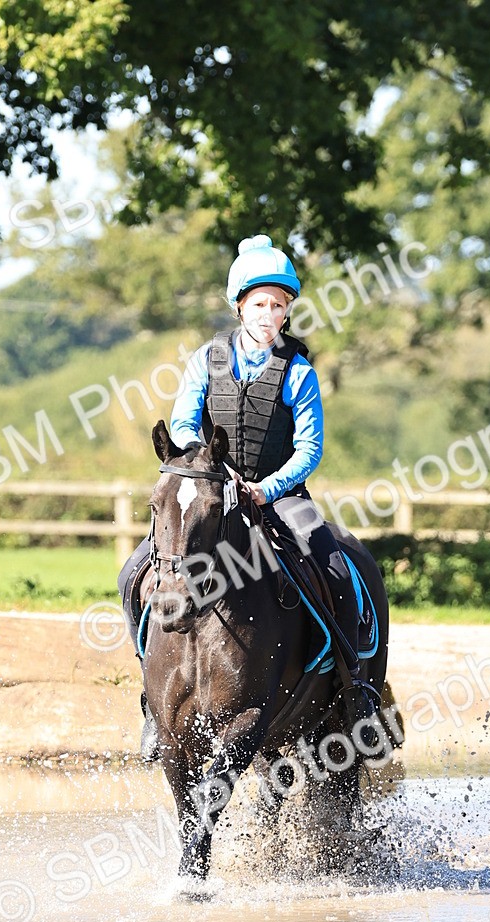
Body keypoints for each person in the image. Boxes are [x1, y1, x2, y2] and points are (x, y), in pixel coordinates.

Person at [118, 234, 376, 758]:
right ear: (240, 306)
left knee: (331, 559)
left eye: (279, 305)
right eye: (259, 303)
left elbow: (310, 447)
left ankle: (357, 690)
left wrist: (265, 488)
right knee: (135, 571)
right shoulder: (205, 360)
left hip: (278, 493)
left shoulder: (298, 371)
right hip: (211, 484)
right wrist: (206, 470)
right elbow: (187, 419)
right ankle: (152, 701)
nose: (268, 313)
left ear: (286, 312)